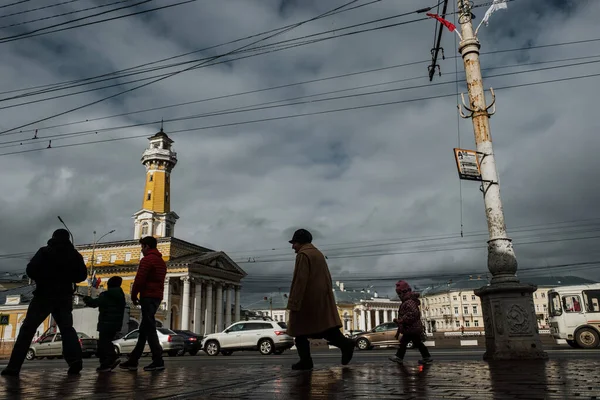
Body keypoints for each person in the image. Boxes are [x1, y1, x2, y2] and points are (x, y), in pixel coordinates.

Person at [1, 229, 88, 377]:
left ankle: (14, 367)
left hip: (43, 295)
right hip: (64, 297)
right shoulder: (74, 255)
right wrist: (68, 277)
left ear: (53, 238)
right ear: (67, 239)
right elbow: (82, 275)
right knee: (67, 330)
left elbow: (30, 270)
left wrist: (44, 277)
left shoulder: (45, 252)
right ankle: (75, 362)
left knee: (27, 330)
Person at [286, 229, 355, 370]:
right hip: (321, 299)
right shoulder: (318, 254)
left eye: (294, 243)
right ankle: (344, 345)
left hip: (307, 302)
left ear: (301, 242)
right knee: (325, 329)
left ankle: (306, 361)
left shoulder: (303, 255)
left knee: (299, 332)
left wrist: (294, 302)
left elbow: (300, 280)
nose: (293, 247)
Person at [120, 236, 166, 372]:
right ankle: (133, 360)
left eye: (142, 247)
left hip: (148, 296)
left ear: (147, 246)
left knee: (150, 329)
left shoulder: (147, 260)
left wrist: (134, 296)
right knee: (144, 329)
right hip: (157, 297)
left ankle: (158, 360)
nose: (141, 250)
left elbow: (139, 280)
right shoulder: (161, 262)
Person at [83, 276, 126, 372]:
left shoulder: (106, 295)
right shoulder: (121, 295)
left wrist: (87, 299)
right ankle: (108, 361)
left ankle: (108, 361)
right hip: (116, 324)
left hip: (105, 322)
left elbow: (95, 303)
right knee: (107, 342)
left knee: (103, 343)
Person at [389, 280, 432, 365]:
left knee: (405, 342)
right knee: (417, 343)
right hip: (412, 327)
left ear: (404, 292)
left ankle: (399, 357)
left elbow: (413, 313)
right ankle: (426, 357)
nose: (399, 296)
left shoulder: (409, 302)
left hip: (411, 327)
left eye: (399, 293)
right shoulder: (409, 301)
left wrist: (401, 320)